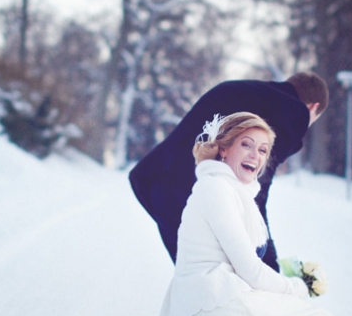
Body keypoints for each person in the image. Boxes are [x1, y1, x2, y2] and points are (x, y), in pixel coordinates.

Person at [146, 111, 352, 316]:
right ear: (223, 149)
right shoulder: (217, 189)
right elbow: (250, 271)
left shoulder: (228, 189)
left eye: (262, 150)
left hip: (203, 313)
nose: (255, 155)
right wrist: (296, 287)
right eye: (246, 144)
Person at [129, 72, 328, 271]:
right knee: (221, 288)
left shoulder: (245, 90)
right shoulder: (293, 112)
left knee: (194, 283)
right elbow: (256, 188)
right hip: (198, 194)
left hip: (160, 185)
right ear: (313, 107)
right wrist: (269, 265)